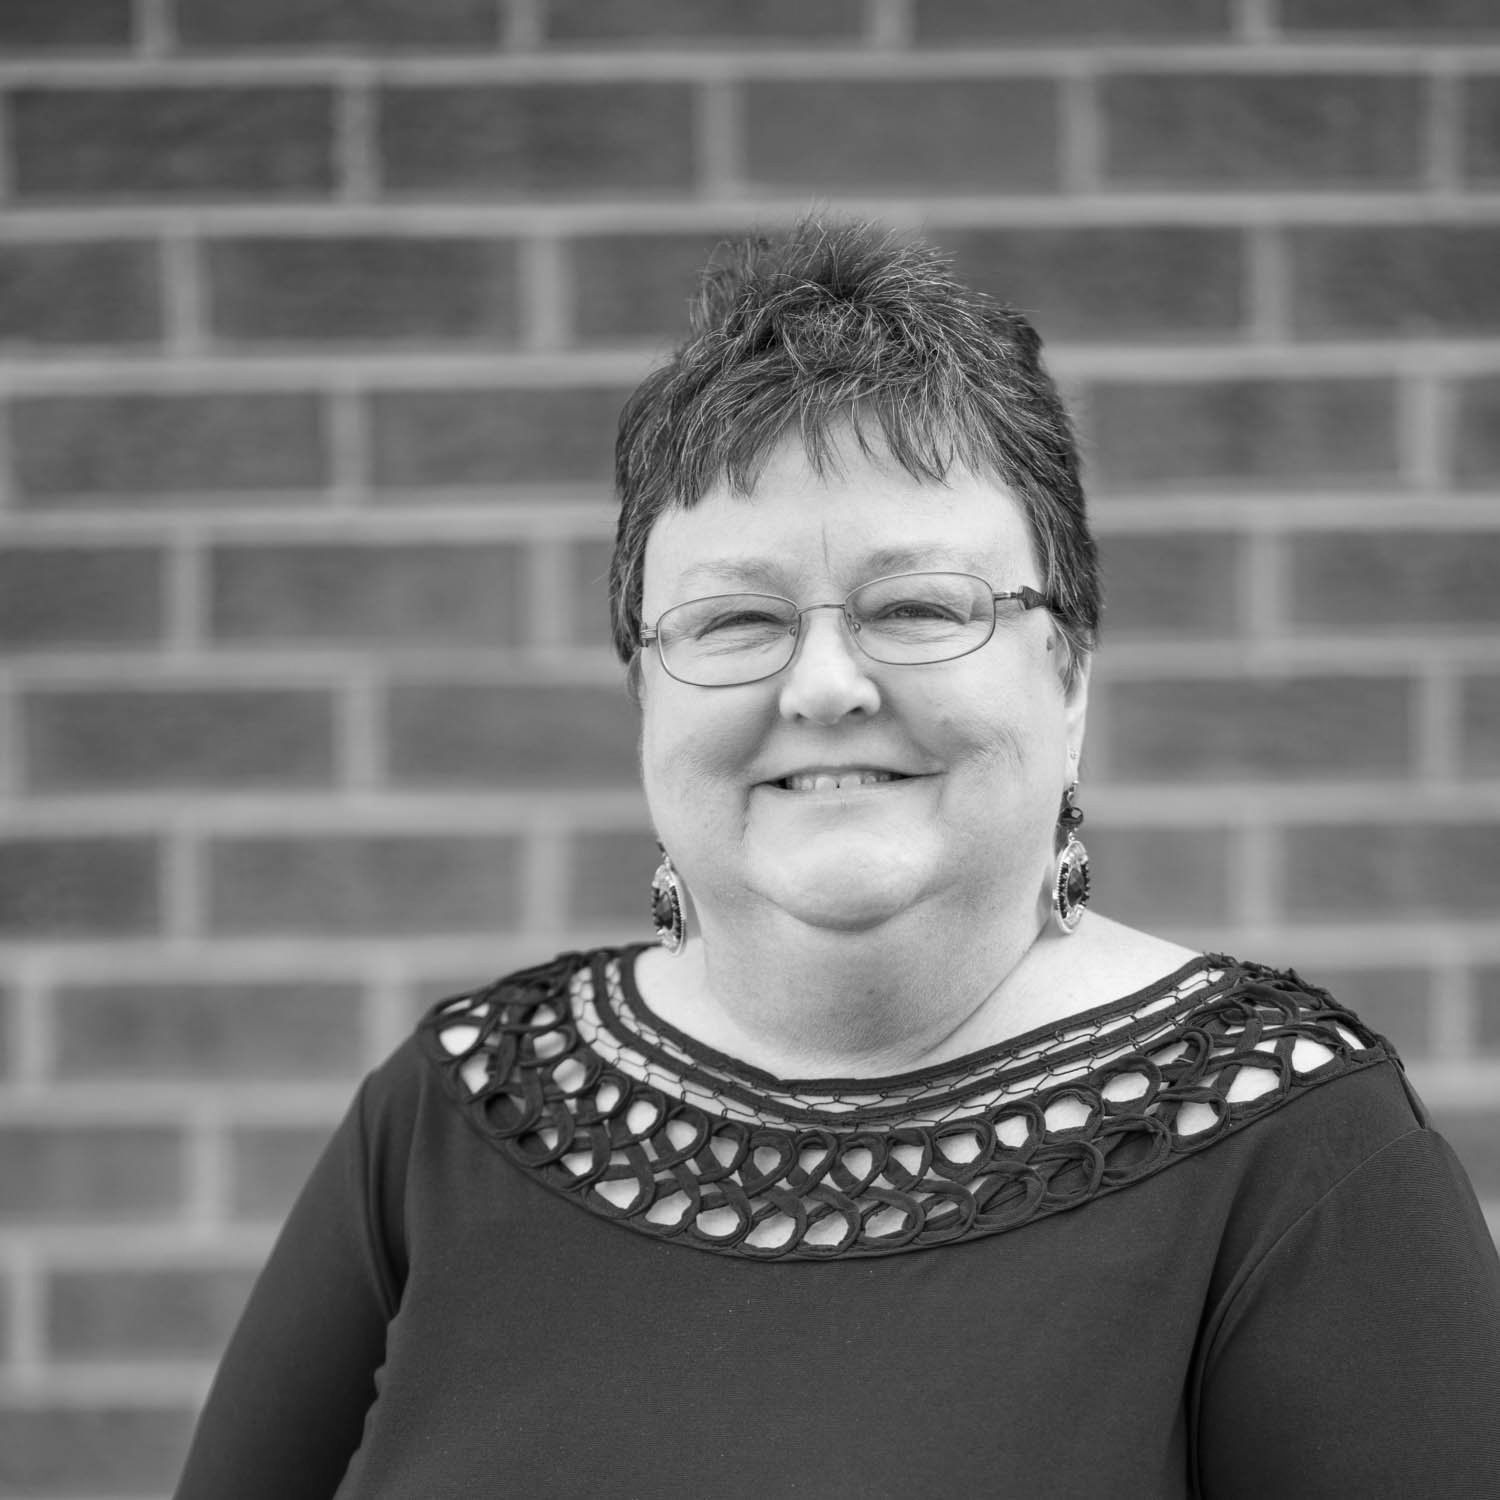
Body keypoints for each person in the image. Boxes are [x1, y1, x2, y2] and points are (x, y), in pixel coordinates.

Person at [175, 221, 1500, 1498]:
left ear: (1072, 671)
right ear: (646, 692)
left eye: (917, 605)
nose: (822, 684)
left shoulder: (1297, 1159)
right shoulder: (454, 1113)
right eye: (736, 617)